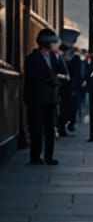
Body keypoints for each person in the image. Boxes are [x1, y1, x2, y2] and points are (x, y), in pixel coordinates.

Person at [22, 28, 63, 165]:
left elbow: (62, 72)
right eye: (52, 41)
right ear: (45, 42)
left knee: (50, 129)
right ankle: (35, 157)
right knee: (36, 129)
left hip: (51, 98)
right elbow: (32, 78)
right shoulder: (31, 59)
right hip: (36, 99)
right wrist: (49, 79)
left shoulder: (54, 57)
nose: (54, 44)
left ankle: (49, 157)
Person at [58, 45, 78, 135]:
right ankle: (62, 128)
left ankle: (63, 127)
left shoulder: (65, 60)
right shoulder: (63, 59)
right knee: (66, 109)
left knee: (66, 109)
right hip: (66, 89)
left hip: (66, 89)